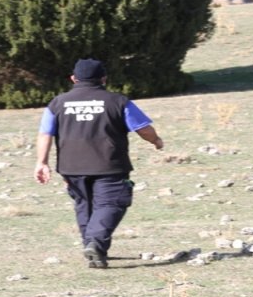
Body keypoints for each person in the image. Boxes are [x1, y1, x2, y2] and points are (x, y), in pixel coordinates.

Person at [35, 59, 164, 268]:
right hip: (108, 165)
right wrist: (156, 141)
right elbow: (143, 128)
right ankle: (95, 243)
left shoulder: (57, 103)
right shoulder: (117, 101)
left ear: (73, 79)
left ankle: (94, 250)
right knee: (110, 204)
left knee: (85, 205)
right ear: (103, 78)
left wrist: (41, 162)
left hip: (71, 167)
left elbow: (45, 133)